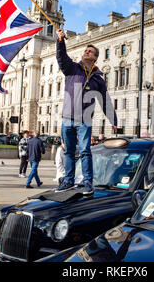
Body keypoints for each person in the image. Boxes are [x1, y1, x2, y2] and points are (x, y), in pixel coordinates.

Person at [55, 28, 117, 195]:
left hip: (84, 120)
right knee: (68, 151)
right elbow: (61, 58)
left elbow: (105, 101)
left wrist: (113, 121)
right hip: (67, 117)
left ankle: (88, 181)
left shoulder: (98, 79)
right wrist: (60, 41)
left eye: (89, 51)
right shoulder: (72, 68)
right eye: (85, 51)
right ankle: (68, 180)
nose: (86, 52)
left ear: (95, 57)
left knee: (84, 151)